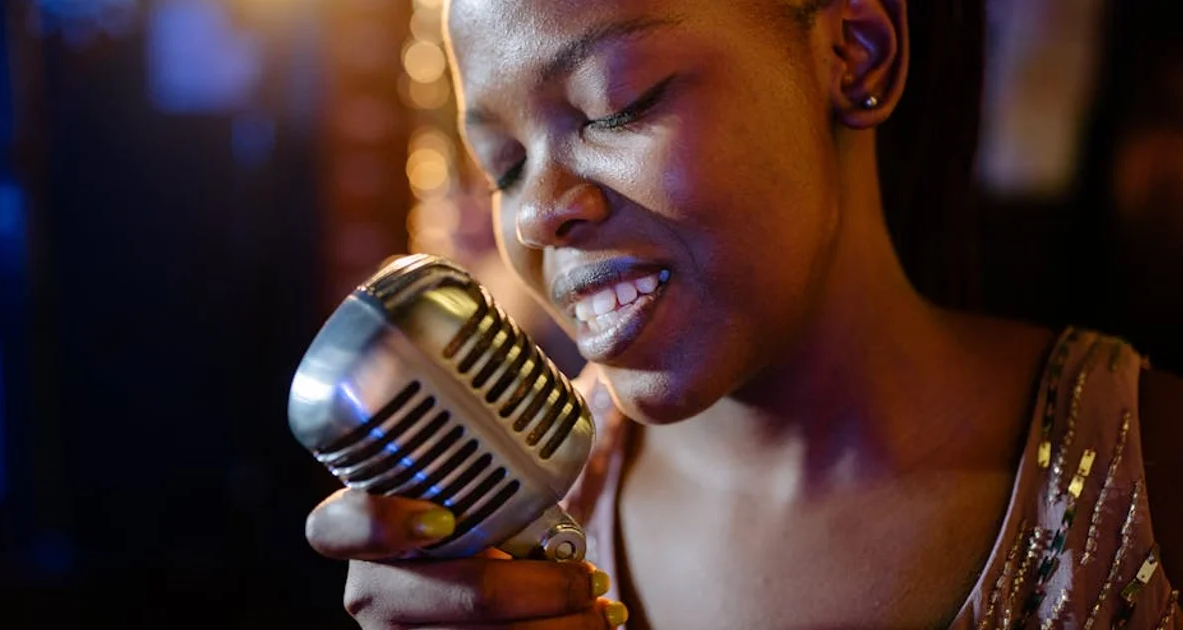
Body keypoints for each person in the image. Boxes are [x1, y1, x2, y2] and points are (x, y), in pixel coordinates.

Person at [303, 0, 1183, 627]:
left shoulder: (1152, 474)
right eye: (502, 165)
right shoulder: (510, 547)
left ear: (855, 54)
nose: (534, 214)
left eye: (616, 104)